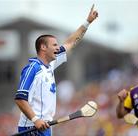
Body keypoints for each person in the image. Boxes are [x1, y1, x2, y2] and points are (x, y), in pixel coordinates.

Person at [14, 4, 98, 136]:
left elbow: (70, 43)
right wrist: (35, 120)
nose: (58, 47)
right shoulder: (32, 69)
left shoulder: (50, 65)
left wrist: (87, 22)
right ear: (43, 47)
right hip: (31, 128)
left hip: (45, 125)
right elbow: (20, 98)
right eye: (54, 45)